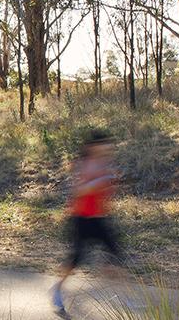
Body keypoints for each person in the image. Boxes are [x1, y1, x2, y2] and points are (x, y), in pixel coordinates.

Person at [52, 130, 122, 317]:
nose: (108, 147)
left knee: (116, 253)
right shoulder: (84, 164)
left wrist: (108, 184)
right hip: (81, 218)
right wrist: (101, 180)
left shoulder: (105, 164)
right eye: (103, 143)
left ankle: (120, 296)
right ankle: (57, 289)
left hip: (100, 218)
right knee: (76, 259)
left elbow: (107, 192)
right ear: (93, 147)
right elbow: (78, 191)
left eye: (108, 143)